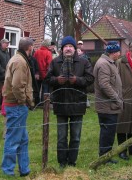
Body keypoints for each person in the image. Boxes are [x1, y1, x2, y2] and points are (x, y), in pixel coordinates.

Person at [45, 36, 94, 168]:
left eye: (70, 46)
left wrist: (76, 80)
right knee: (61, 137)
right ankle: (62, 162)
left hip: (78, 105)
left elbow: (90, 79)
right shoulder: (55, 62)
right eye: (65, 46)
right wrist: (56, 80)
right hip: (60, 104)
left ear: (75, 48)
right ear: (62, 49)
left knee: (75, 137)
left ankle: (72, 161)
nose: (68, 49)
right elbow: (47, 79)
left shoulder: (84, 62)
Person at [1, 37, 35, 177]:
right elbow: (17, 85)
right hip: (16, 105)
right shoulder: (20, 62)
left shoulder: (17, 58)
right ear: (30, 48)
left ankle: (24, 169)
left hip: (16, 105)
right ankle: (7, 171)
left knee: (22, 139)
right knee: (13, 139)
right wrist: (24, 101)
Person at [93, 41, 122, 164]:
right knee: (107, 132)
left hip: (110, 105)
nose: (120, 53)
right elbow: (104, 85)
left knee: (109, 131)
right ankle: (104, 157)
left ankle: (106, 156)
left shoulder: (109, 62)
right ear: (114, 52)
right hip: (107, 105)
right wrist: (116, 97)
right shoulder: (104, 64)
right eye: (118, 51)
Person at [33, 38, 53, 103]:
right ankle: (43, 103)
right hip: (45, 74)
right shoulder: (48, 53)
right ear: (48, 45)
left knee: (37, 89)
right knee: (45, 89)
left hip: (37, 73)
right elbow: (49, 65)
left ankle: (36, 102)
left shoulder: (36, 52)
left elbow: (33, 62)